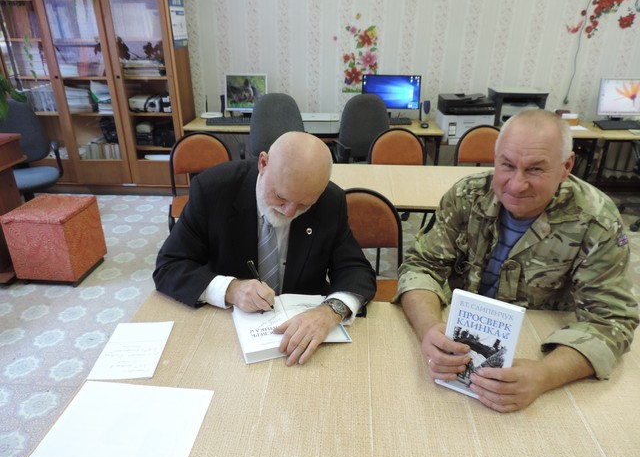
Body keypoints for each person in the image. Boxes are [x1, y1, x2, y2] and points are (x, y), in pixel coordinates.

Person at [395, 109, 638, 413]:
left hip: (540, 349)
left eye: (535, 169)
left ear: (566, 166)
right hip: (457, 347)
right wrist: (429, 329)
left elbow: (611, 321)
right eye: (507, 165)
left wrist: (545, 375)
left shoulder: (596, 221)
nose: (516, 185)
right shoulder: (466, 196)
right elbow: (421, 267)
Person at [154, 131, 376, 366]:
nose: (289, 212)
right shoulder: (213, 189)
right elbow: (169, 266)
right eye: (280, 196)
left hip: (305, 339)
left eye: (303, 205)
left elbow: (356, 270)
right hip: (225, 333)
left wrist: (329, 312)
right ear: (263, 163)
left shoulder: (330, 200)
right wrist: (230, 289)